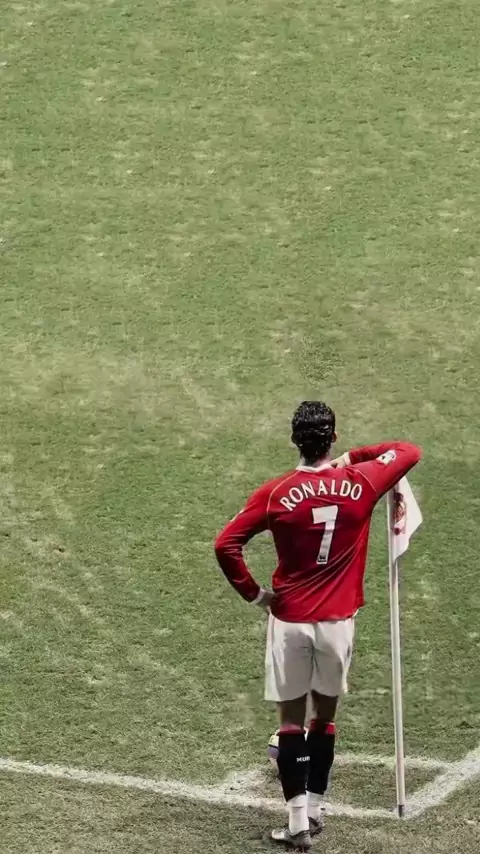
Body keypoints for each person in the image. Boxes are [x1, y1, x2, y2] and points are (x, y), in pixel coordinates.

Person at [214, 401, 421, 850]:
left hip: (289, 620)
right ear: (333, 438)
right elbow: (408, 451)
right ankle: (314, 807)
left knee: (289, 722)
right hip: (338, 623)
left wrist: (256, 595)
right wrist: (355, 457)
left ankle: (296, 825)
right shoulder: (362, 481)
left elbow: (226, 544)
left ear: (295, 440)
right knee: (323, 718)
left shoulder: (275, 493)